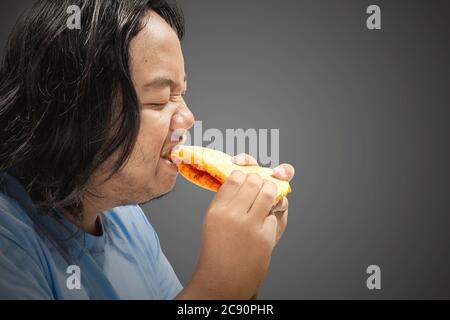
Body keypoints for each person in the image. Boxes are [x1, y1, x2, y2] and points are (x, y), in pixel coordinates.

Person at [0, 0, 294, 299]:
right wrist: (218, 288)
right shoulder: (8, 236)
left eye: (182, 94)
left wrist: (243, 277)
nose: (188, 119)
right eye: (159, 100)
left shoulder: (126, 220)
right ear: (75, 112)